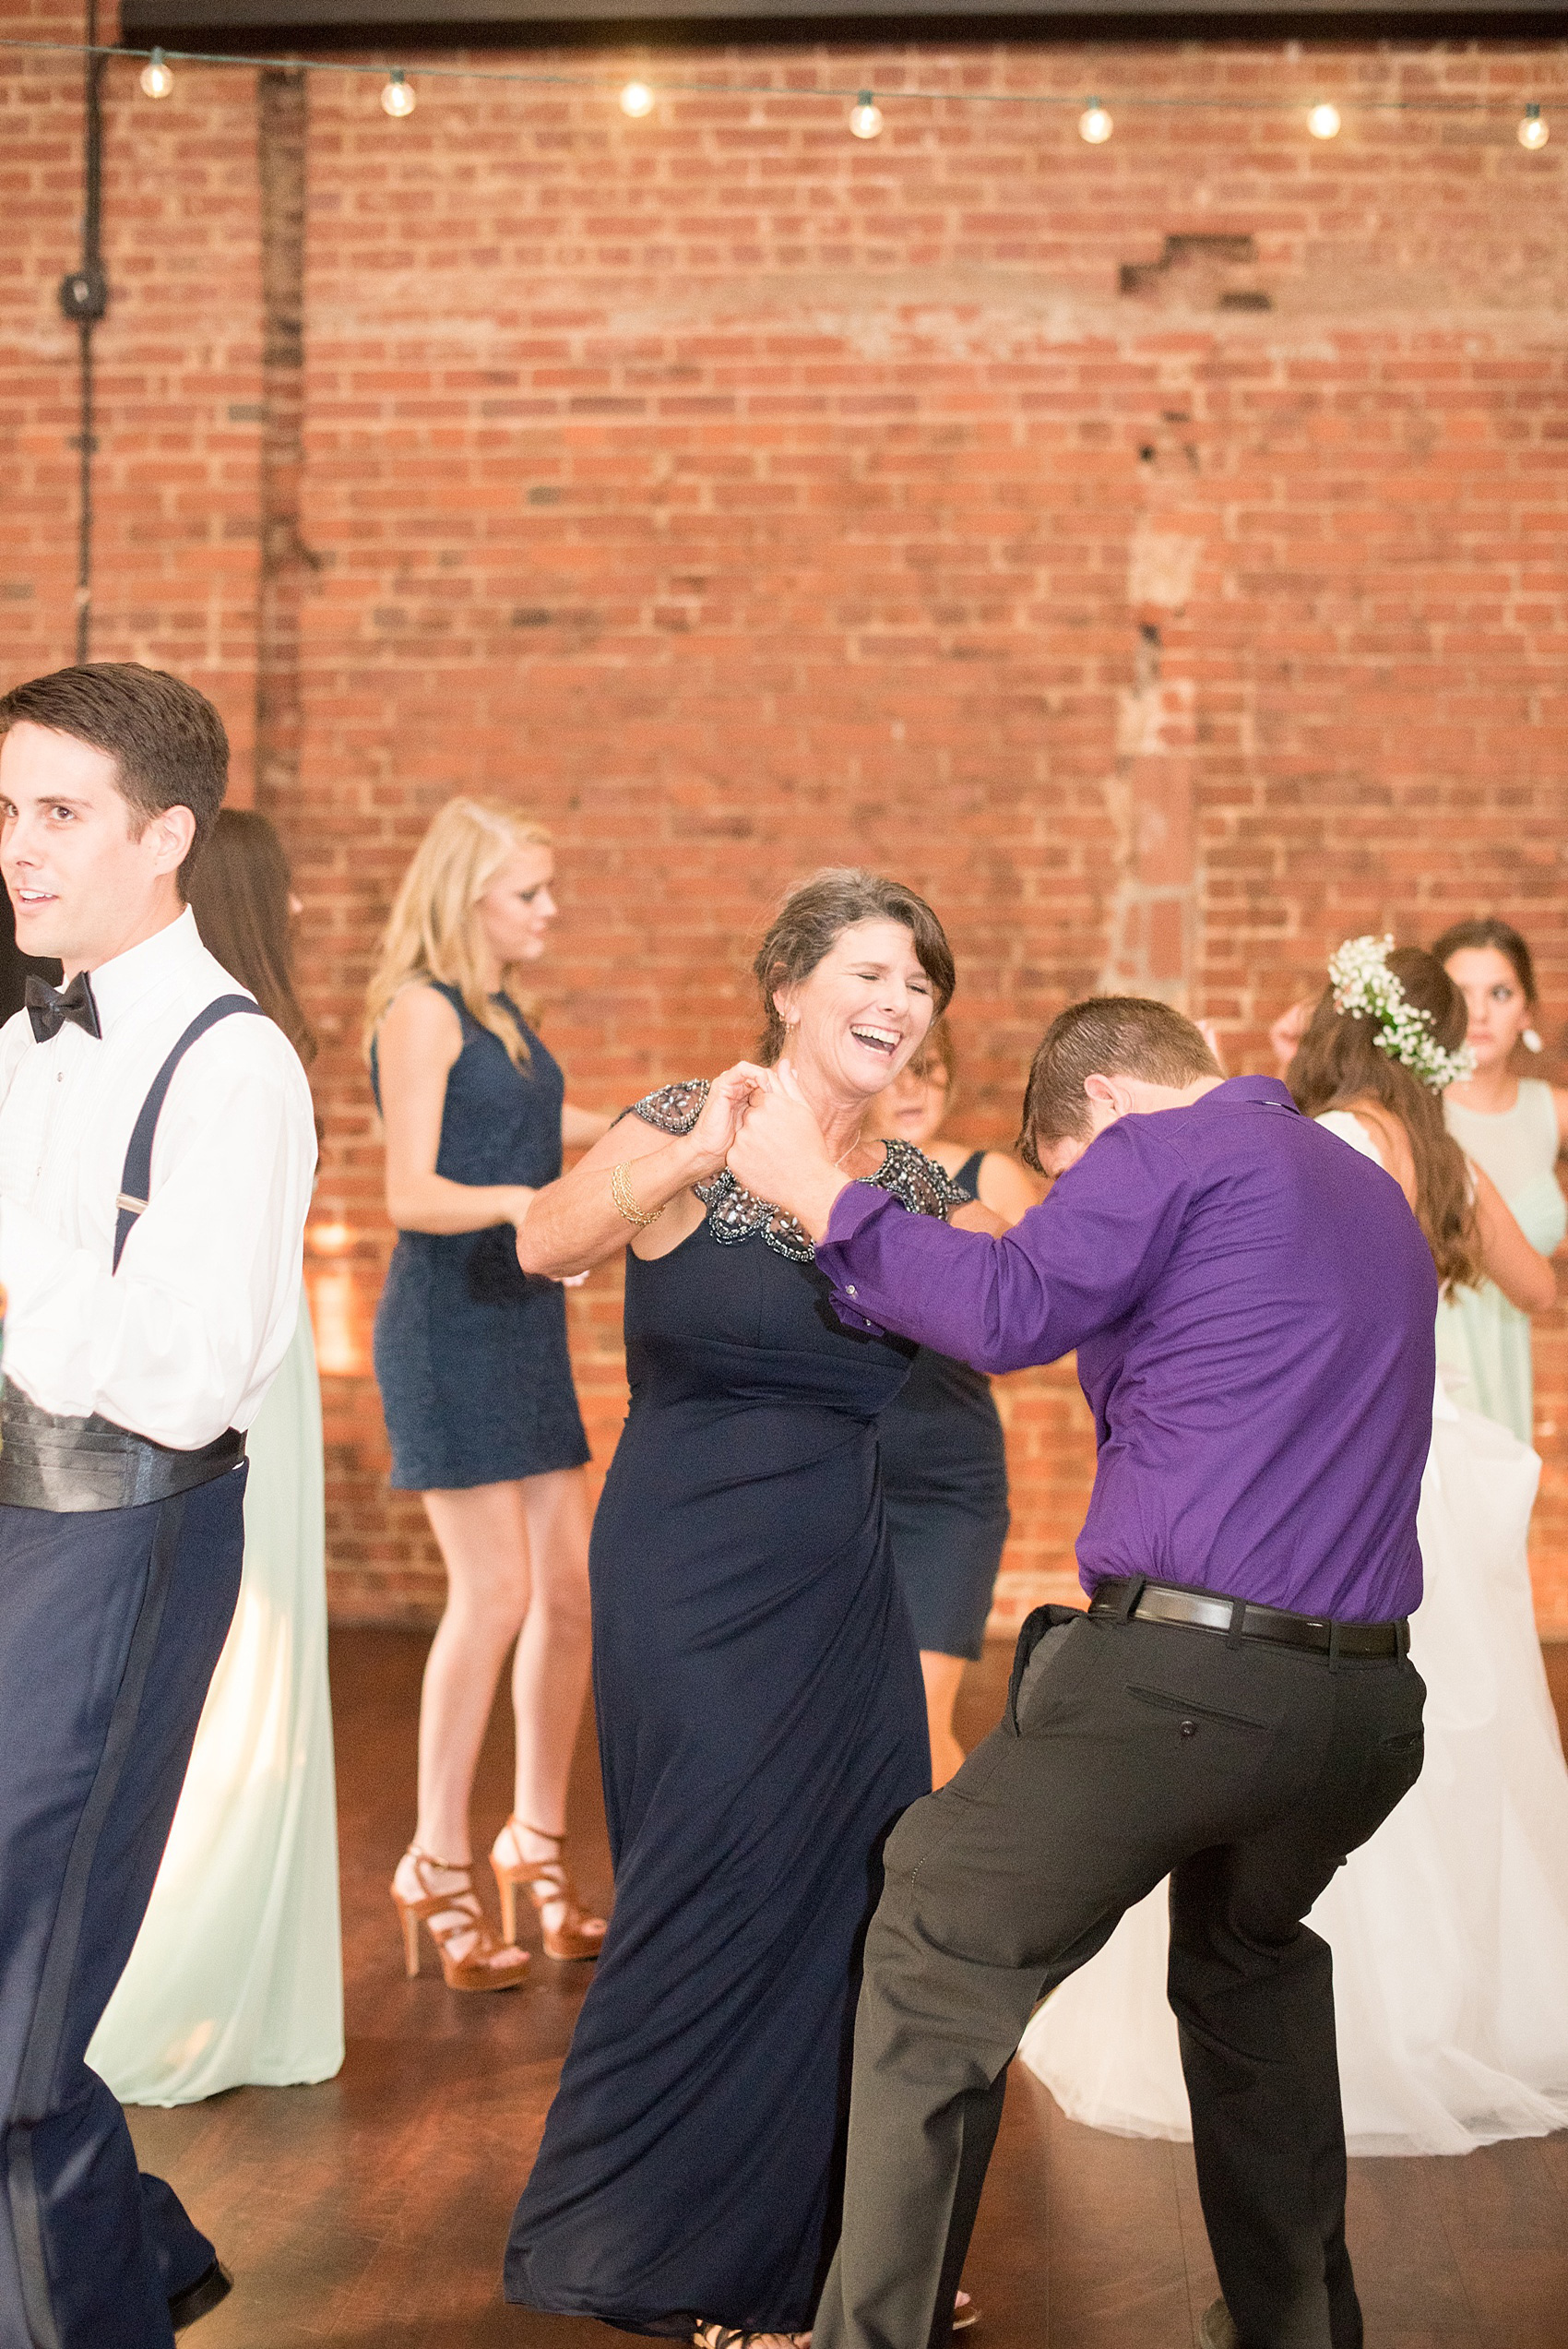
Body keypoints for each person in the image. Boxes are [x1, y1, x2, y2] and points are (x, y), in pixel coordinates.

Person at [728, 991, 1437, 2349]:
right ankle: (1303, 2330)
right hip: (1363, 1707)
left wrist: (815, 1188)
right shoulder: (1362, 1189)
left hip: (1195, 1684)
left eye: (1065, 1175)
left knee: (936, 1927)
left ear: (1103, 1107)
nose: (1075, 1197)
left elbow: (1010, 1309)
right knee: (1247, 1960)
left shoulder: (1162, 1149)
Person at [505, 870, 972, 2347]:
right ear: (787, 984)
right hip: (684, 1570)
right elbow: (543, 1240)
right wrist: (699, 1145)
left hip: (843, 1577)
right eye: (873, 972)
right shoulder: (681, 1120)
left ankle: (843, 2253)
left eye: (921, 983)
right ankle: (673, 2248)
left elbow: (1018, 1308)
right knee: (715, 1869)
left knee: (853, 1890)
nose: (900, 1003)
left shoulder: (912, 1192)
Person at [1022, 943, 1568, 2162]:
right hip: (1433, 1461)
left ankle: (1335, 2013)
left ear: (1331, 1024)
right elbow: (1534, 1282)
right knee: (1435, 1743)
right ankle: (1452, 1997)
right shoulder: (1435, 1150)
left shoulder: (1308, 1136)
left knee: (1274, 1715)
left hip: (1316, 1465)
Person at [0, 662, 316, 2346]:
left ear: (166, 835)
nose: (19, 850)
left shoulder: (235, 1069)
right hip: (11, 1525)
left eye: (60, 813)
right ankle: (138, 2248)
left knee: (21, 1968)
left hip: (126, 1532)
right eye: (7, 810)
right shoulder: (20, 1045)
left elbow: (182, 1380)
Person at [87, 808, 344, 2104]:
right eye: (285, 897)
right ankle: (170, 1958)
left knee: (261, 1651)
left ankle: (217, 1955)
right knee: (229, 1654)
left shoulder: (233, 1046)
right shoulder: (213, 1048)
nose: (299, 918)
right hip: (235, 1370)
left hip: (260, 1361)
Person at [366, 798, 610, 1991]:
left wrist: (645, 1127)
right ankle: (436, 1856)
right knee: (498, 1589)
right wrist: (524, 1201)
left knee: (568, 1590)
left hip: (523, 1320)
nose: (549, 911)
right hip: (447, 1320)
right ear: (469, 896)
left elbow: (535, 1120)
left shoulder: (506, 1015)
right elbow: (411, 1190)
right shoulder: (422, 1008)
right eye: (530, 893)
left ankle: (537, 1835)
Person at [872, 1020, 1039, 1783]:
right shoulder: (829, 1177)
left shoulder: (989, 1175)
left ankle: (962, 1892)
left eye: (928, 1070)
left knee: (914, 1713)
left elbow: (1034, 1319)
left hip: (947, 1483)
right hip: (843, 1470)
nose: (912, 1090)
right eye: (896, 1071)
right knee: (852, 1711)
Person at [1432, 918, 1566, 1441]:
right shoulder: (1406, 1115)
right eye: (1460, 994)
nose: (1480, 1013)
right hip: (1426, 1382)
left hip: (1507, 1385)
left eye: (1500, 992)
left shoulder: (1551, 1112)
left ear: (1527, 1011)